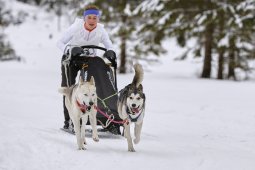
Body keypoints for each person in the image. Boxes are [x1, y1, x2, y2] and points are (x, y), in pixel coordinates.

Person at [57, 5, 118, 132]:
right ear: (85, 18)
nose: (92, 20)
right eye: (89, 17)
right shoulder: (76, 27)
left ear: (98, 19)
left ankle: (105, 117)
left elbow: (109, 45)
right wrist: (70, 50)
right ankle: (69, 120)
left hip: (88, 61)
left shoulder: (101, 30)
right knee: (69, 89)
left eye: (94, 18)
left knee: (95, 87)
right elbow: (60, 43)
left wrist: (111, 51)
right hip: (71, 60)